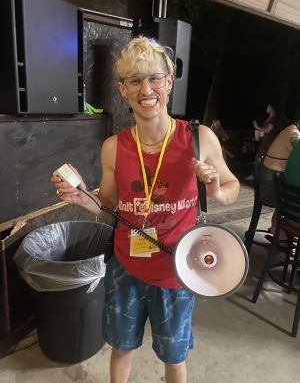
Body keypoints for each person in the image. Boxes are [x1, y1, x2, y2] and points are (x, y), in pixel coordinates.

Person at [51, 37, 239, 383]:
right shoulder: (113, 148)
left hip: (178, 273)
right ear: (123, 90)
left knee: (175, 359)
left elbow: (232, 186)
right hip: (126, 268)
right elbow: (110, 209)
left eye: (154, 78)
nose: (145, 89)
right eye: (135, 81)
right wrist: (82, 199)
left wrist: (216, 191)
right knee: (121, 349)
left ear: (169, 81)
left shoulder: (199, 139)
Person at [259, 118, 300, 239]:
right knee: (289, 197)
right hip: (270, 184)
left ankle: (277, 230)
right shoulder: (294, 134)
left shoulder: (291, 131)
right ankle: (279, 232)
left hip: (275, 182)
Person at [245, 103, 277, 181]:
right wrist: (259, 135)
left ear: (271, 108)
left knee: (258, 158)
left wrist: (256, 127)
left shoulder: (274, 118)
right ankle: (257, 175)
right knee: (260, 158)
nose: (266, 108)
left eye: (268, 107)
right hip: (265, 141)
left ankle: (256, 176)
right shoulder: (270, 118)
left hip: (268, 143)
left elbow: (267, 130)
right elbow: (265, 130)